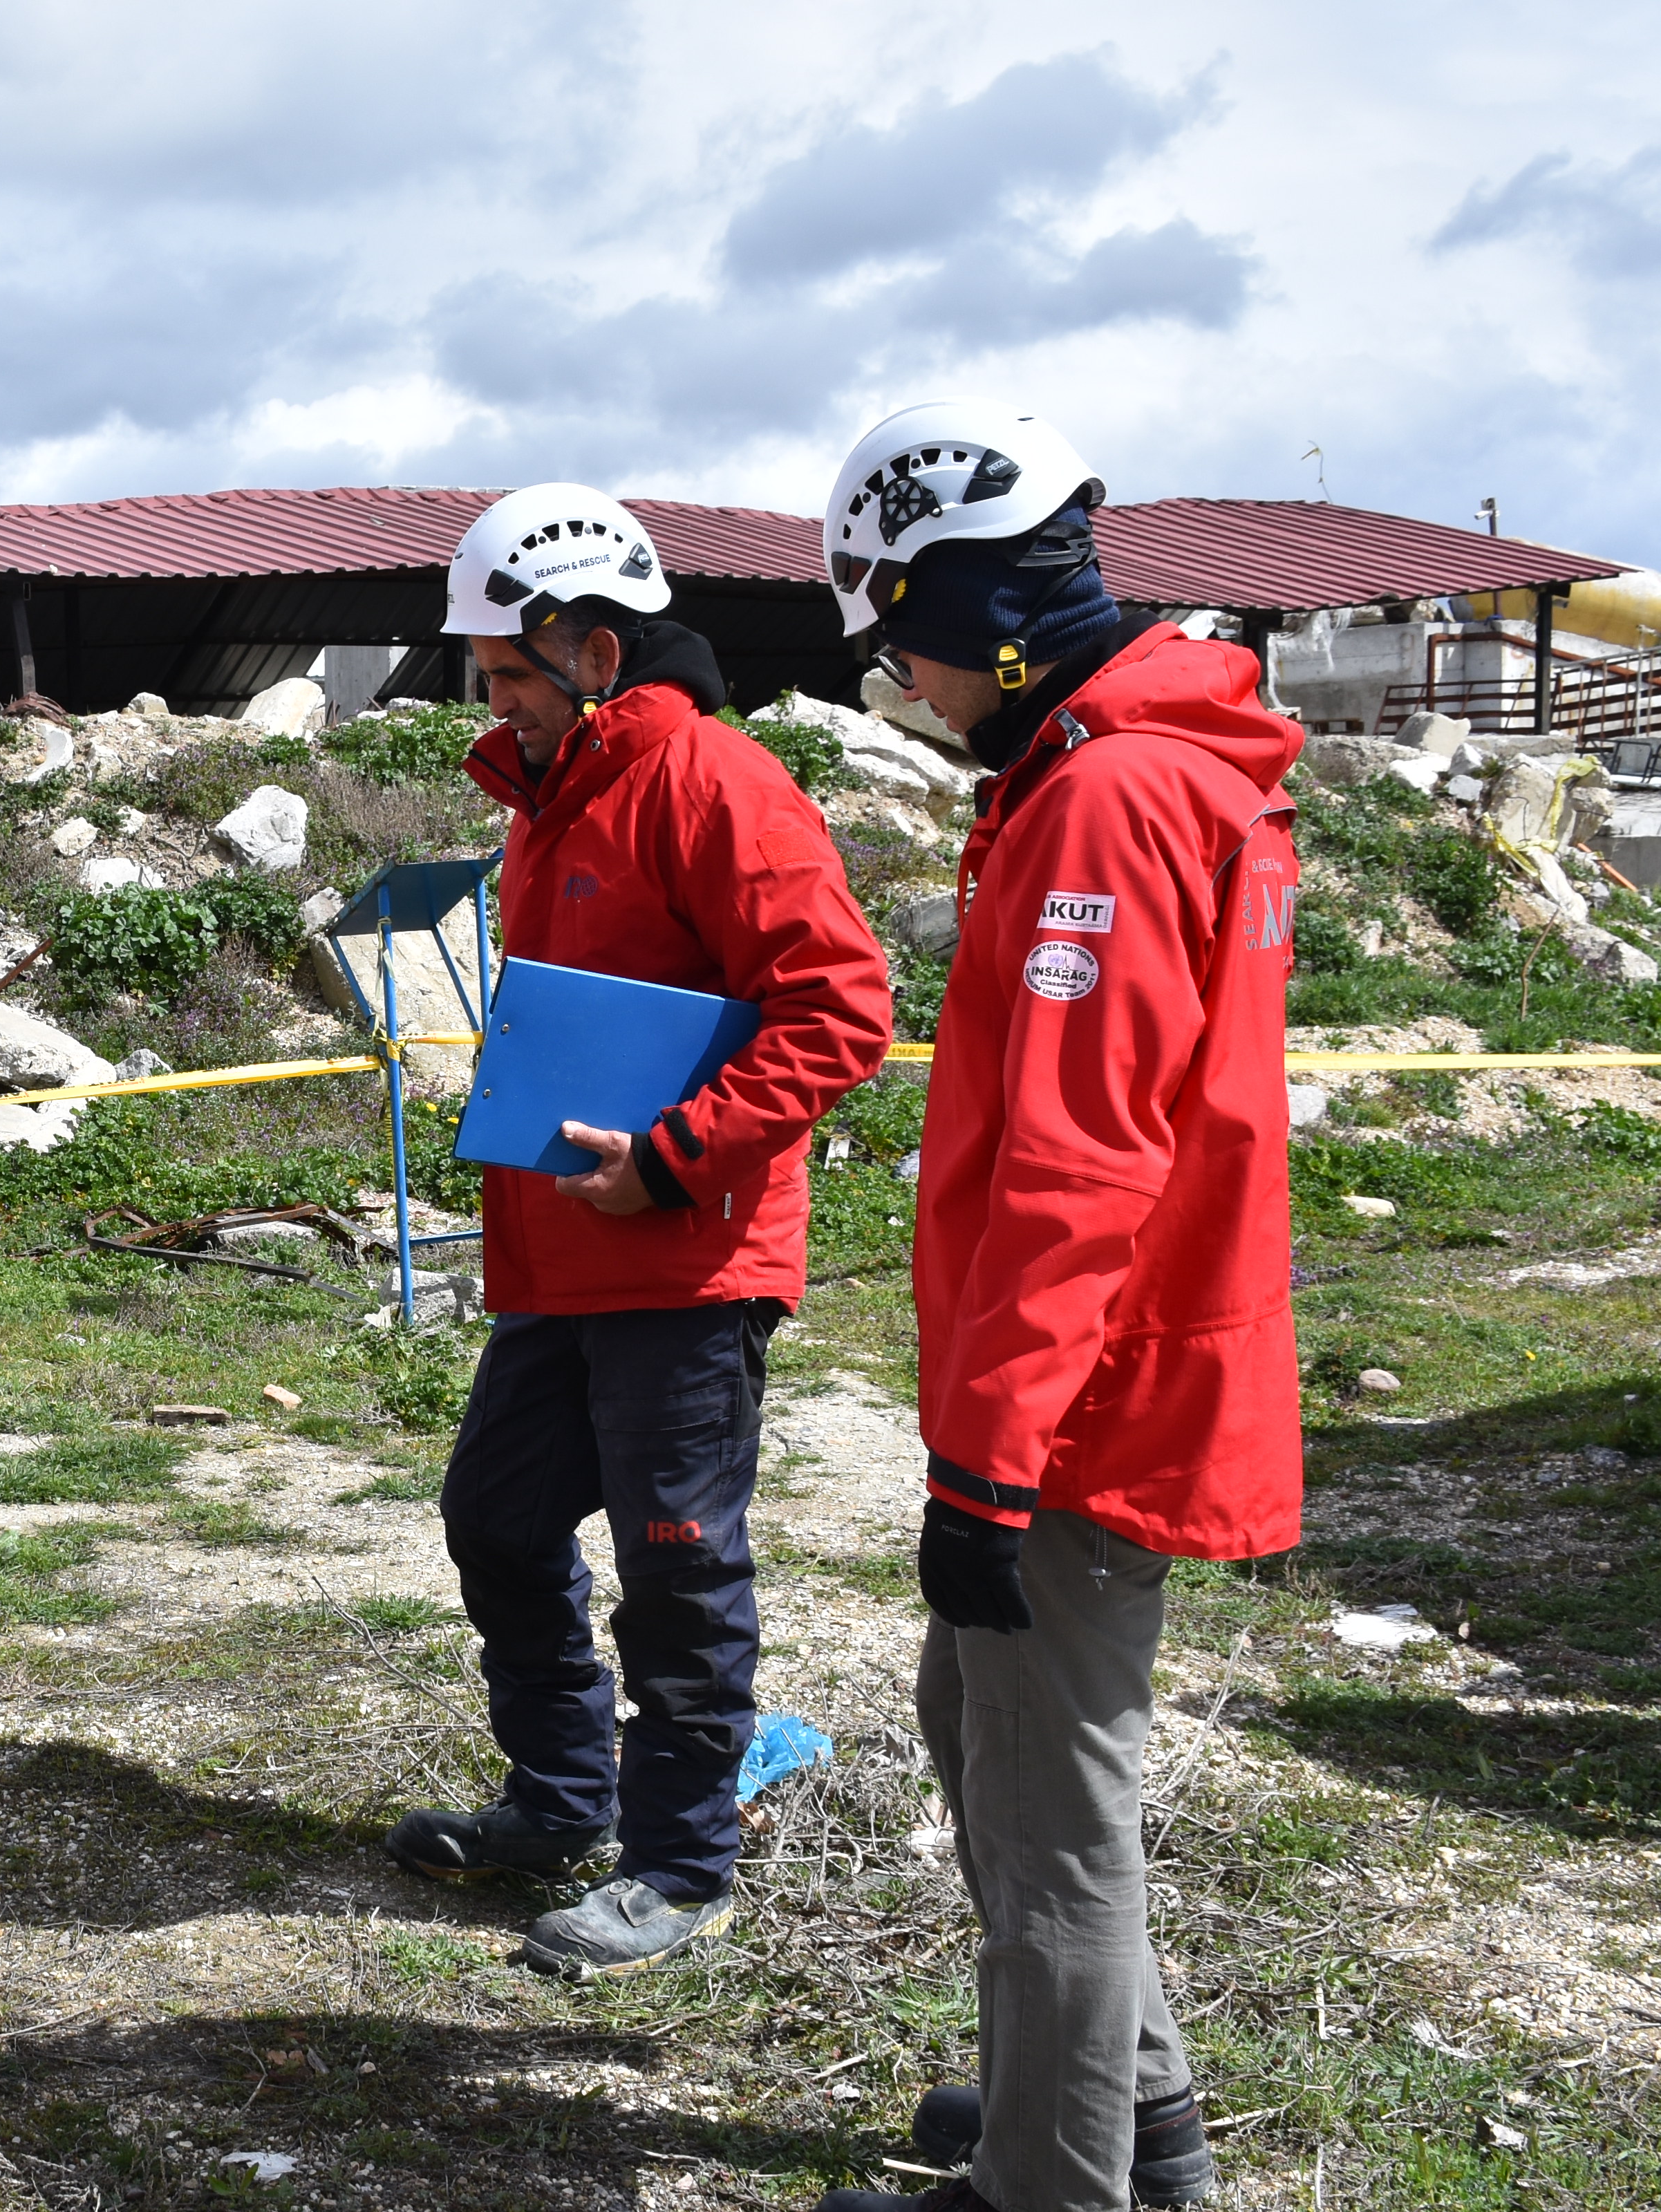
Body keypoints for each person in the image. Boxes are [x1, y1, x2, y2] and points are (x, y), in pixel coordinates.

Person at [808, 400, 1302, 2212]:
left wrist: (989, 1468)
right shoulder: (1154, 764)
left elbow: (1081, 1164)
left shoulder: (1103, 796)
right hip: (1128, 1368)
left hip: (1087, 1406)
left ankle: (1057, 2184)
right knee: (978, 1730)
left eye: (907, 650)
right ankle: (1124, 2115)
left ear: (976, 611)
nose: (913, 693)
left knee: (1049, 1848)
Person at [384, 484, 895, 1976]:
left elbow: (842, 1005)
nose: (494, 703)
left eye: (508, 676)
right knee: (498, 1515)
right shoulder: (553, 794)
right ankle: (562, 1799)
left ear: (594, 648)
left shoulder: (715, 782)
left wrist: (675, 1159)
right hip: (564, 1254)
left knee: (677, 1562)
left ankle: (680, 1866)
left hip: (686, 1254)